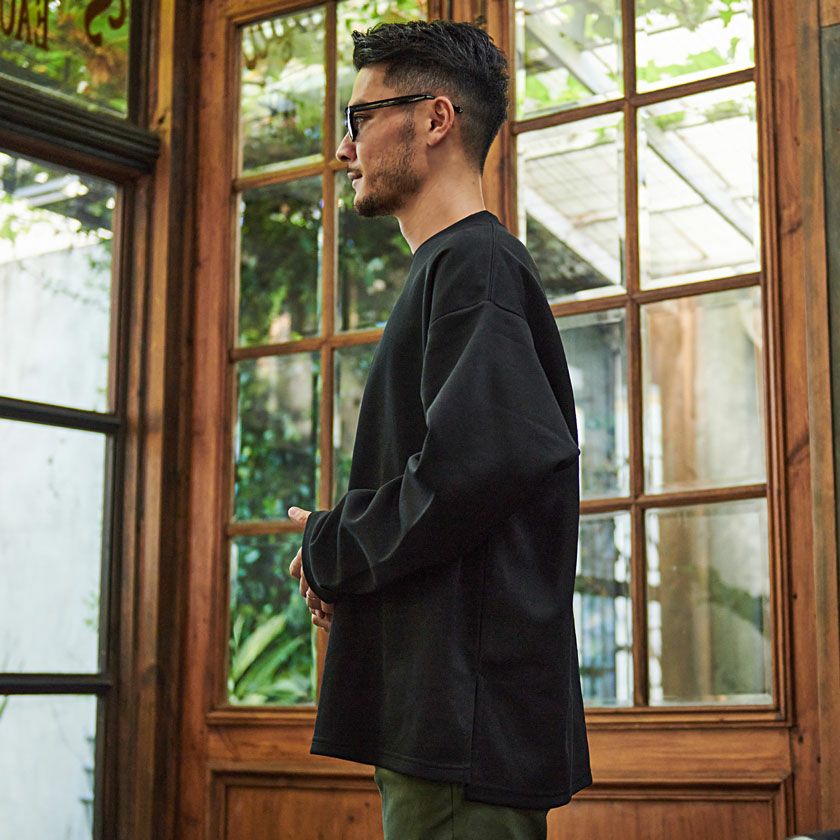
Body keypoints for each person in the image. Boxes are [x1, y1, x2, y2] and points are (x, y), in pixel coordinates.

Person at [287, 19, 591, 840]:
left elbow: (476, 468)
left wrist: (332, 545)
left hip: (461, 731)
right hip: (449, 727)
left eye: (359, 118)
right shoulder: (458, 270)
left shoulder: (475, 265)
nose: (343, 149)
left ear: (434, 119)